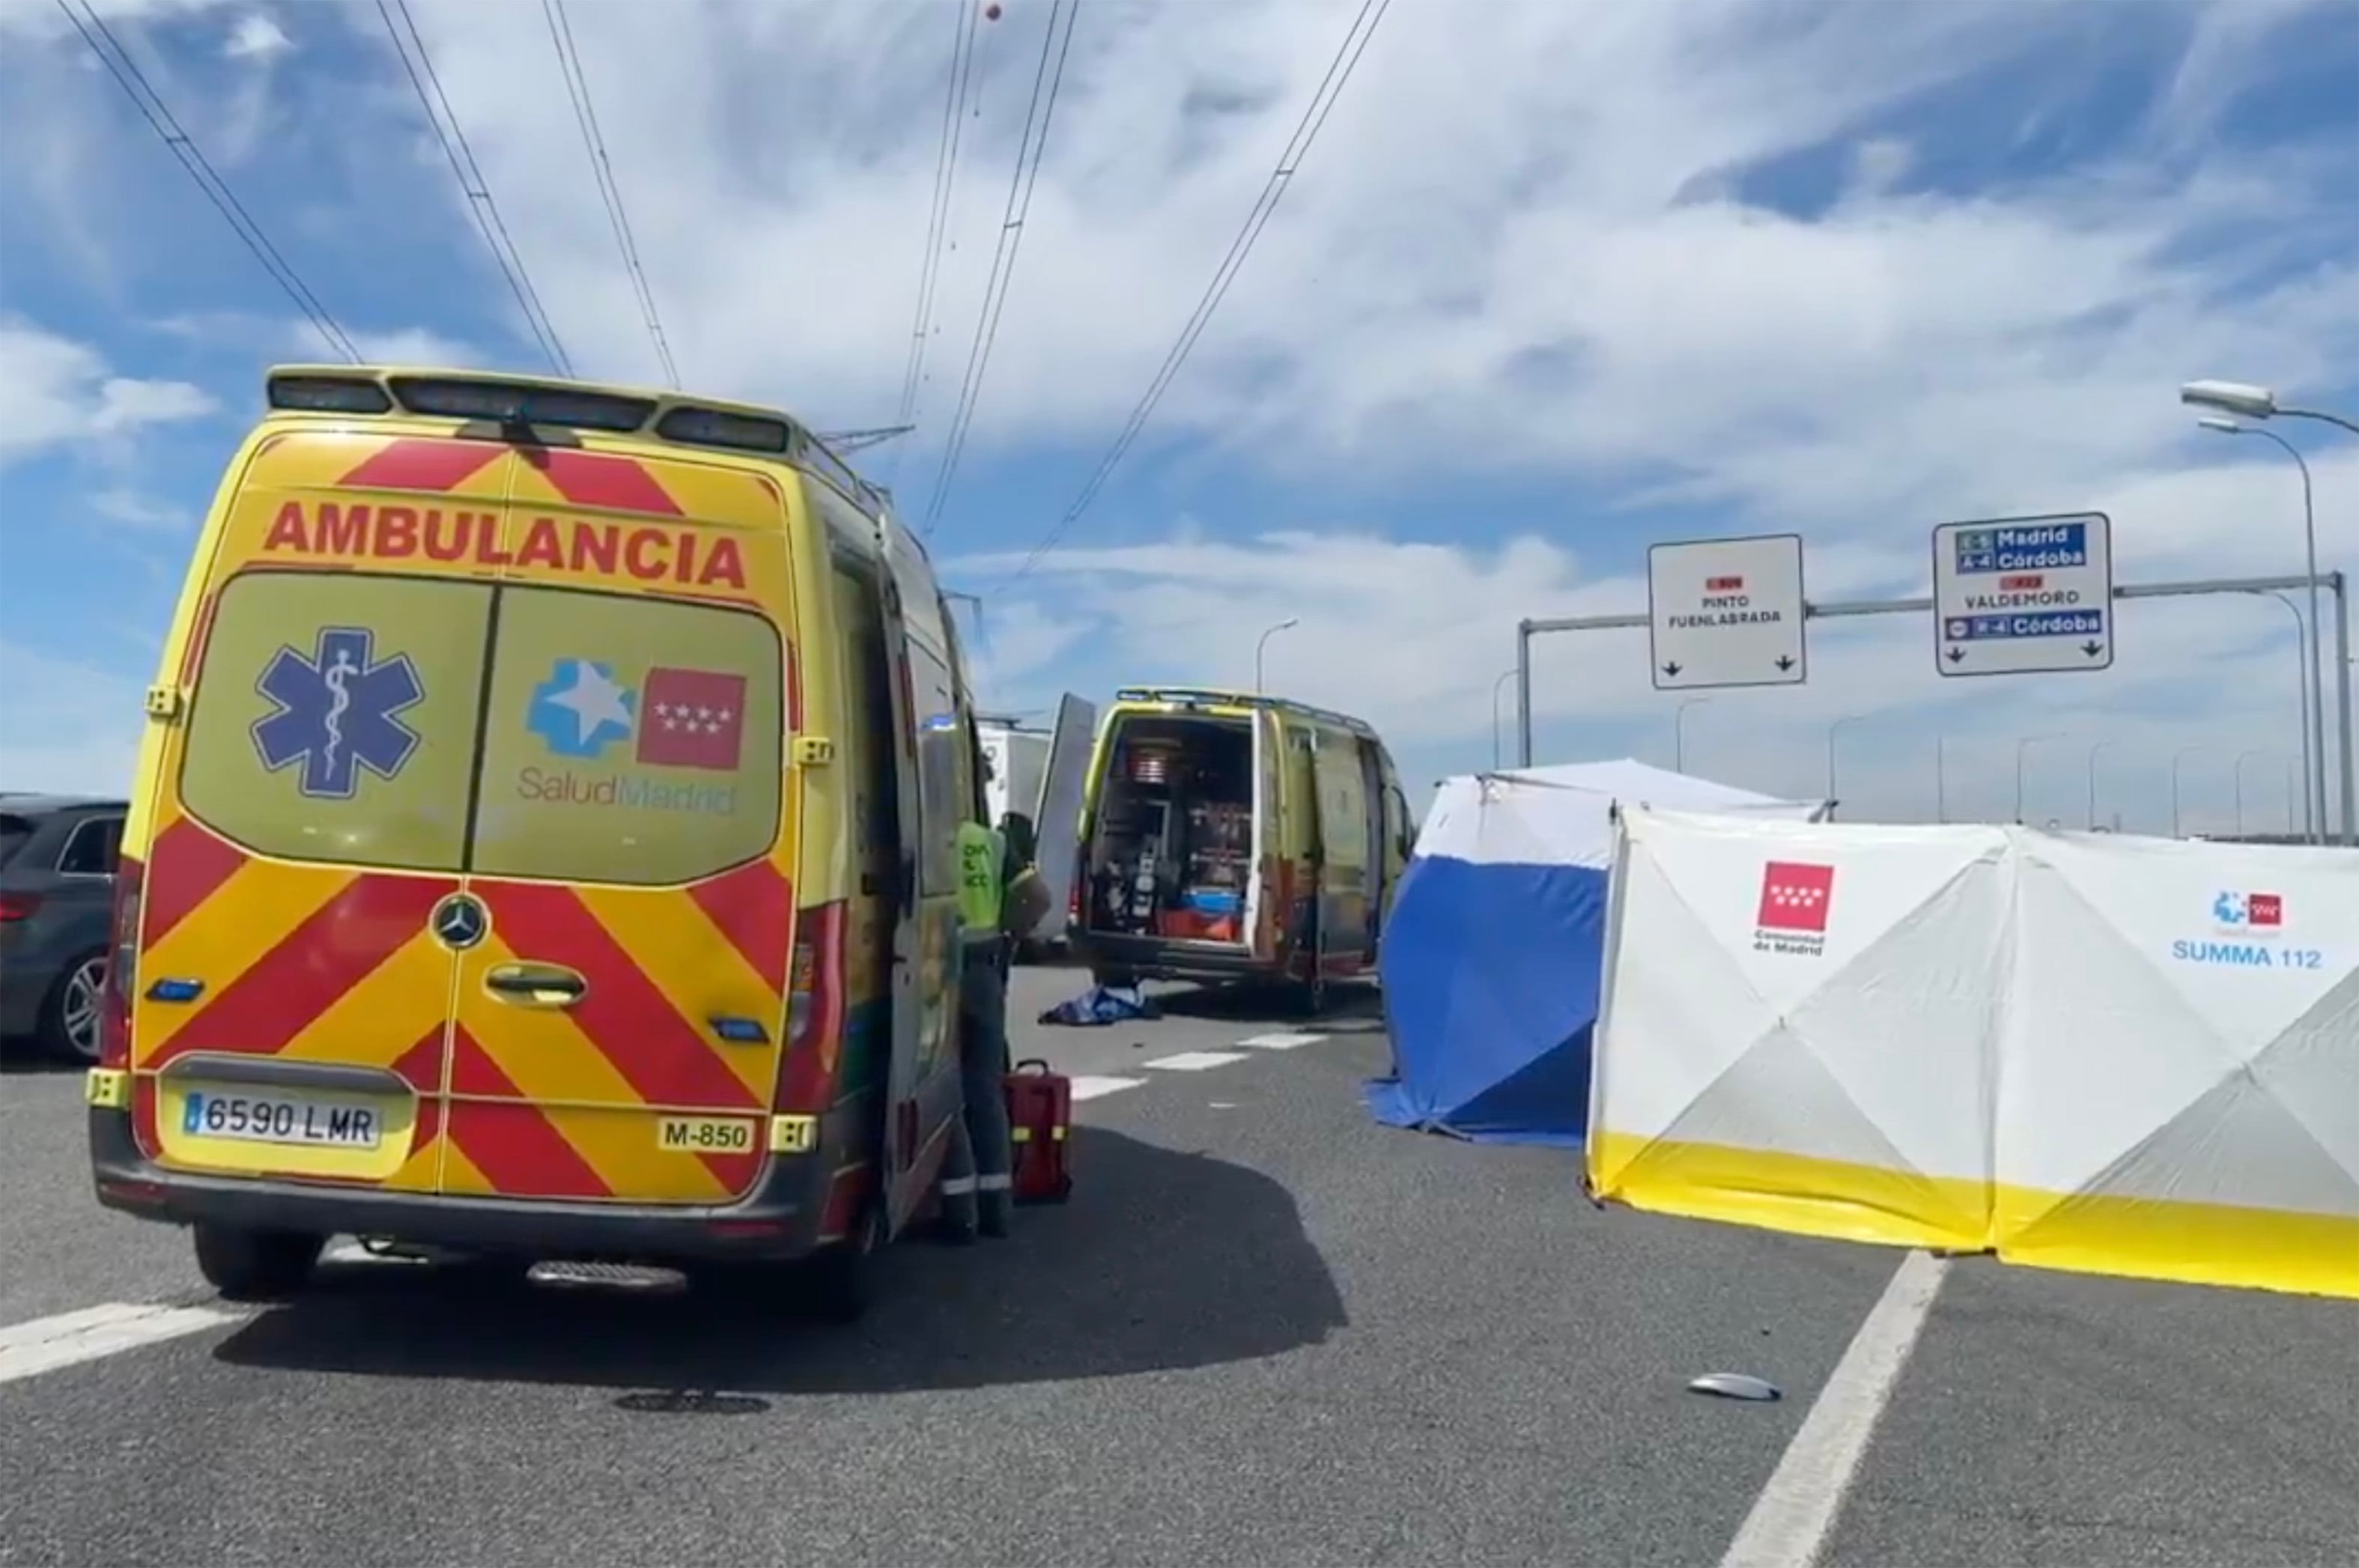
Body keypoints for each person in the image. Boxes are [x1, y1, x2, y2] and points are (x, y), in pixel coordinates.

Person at [939, 808, 1051, 1240]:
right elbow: (1038, 898)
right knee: (984, 1088)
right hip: (985, 967)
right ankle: (996, 1209)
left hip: (939, 966)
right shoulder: (990, 841)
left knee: (942, 1090)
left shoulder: (930, 834)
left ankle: (958, 1213)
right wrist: (1009, 933)